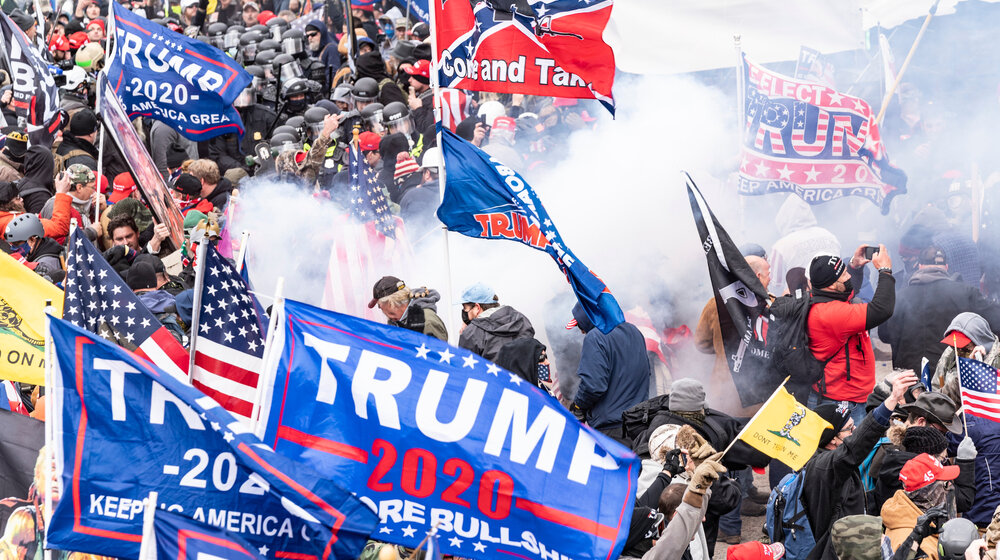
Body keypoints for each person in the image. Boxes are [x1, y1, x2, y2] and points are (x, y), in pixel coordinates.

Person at [800, 370, 917, 560]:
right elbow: (856, 445)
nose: (855, 430)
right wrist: (892, 400)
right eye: (849, 429)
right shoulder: (825, 466)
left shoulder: (829, 461)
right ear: (832, 439)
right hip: (837, 553)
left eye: (854, 425)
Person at [807, 246, 896, 425]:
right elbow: (881, 309)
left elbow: (846, 291)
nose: (848, 277)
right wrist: (885, 271)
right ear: (832, 285)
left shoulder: (824, 296)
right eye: (844, 275)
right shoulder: (831, 313)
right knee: (852, 444)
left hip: (846, 396)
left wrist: (855, 267)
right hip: (842, 402)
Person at [879, 247, 1000, 372]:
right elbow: (997, 321)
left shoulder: (898, 297)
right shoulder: (967, 293)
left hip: (907, 376)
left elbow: (884, 335)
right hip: (951, 376)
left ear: (920, 266)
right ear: (946, 267)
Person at [695, 254, 772, 417]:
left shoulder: (715, 303)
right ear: (758, 276)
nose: (771, 279)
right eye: (768, 273)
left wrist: (723, 350)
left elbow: (701, 342)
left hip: (723, 393)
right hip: (759, 396)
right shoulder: (771, 306)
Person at [569, 302, 650, 440]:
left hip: (611, 429)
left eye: (580, 325)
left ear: (590, 317)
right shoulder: (634, 331)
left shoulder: (595, 337)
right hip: (639, 426)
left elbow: (593, 385)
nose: (582, 331)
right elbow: (647, 373)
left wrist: (578, 406)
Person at [882, 453, 960, 559]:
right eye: (945, 484)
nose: (951, 486)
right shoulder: (912, 543)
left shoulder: (908, 512)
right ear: (927, 494)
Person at [768, 194, 840, 297]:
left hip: (798, 303)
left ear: (784, 217)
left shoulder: (781, 246)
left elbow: (774, 285)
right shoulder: (829, 236)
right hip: (834, 296)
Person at [457, 282, 535, 362]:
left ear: (477, 307)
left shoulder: (471, 333)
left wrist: (467, 333)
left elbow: (464, 365)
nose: (464, 311)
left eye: (465, 308)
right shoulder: (521, 320)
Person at [368, 276, 448, 341]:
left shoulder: (427, 322)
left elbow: (438, 354)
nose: (380, 309)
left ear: (394, 302)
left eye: (379, 305)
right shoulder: (396, 321)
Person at [0, 179, 71, 239]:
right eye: (17, 198)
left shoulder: (4, 220)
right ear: (6, 205)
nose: (21, 199)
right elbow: (60, 228)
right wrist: (61, 193)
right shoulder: (19, 223)